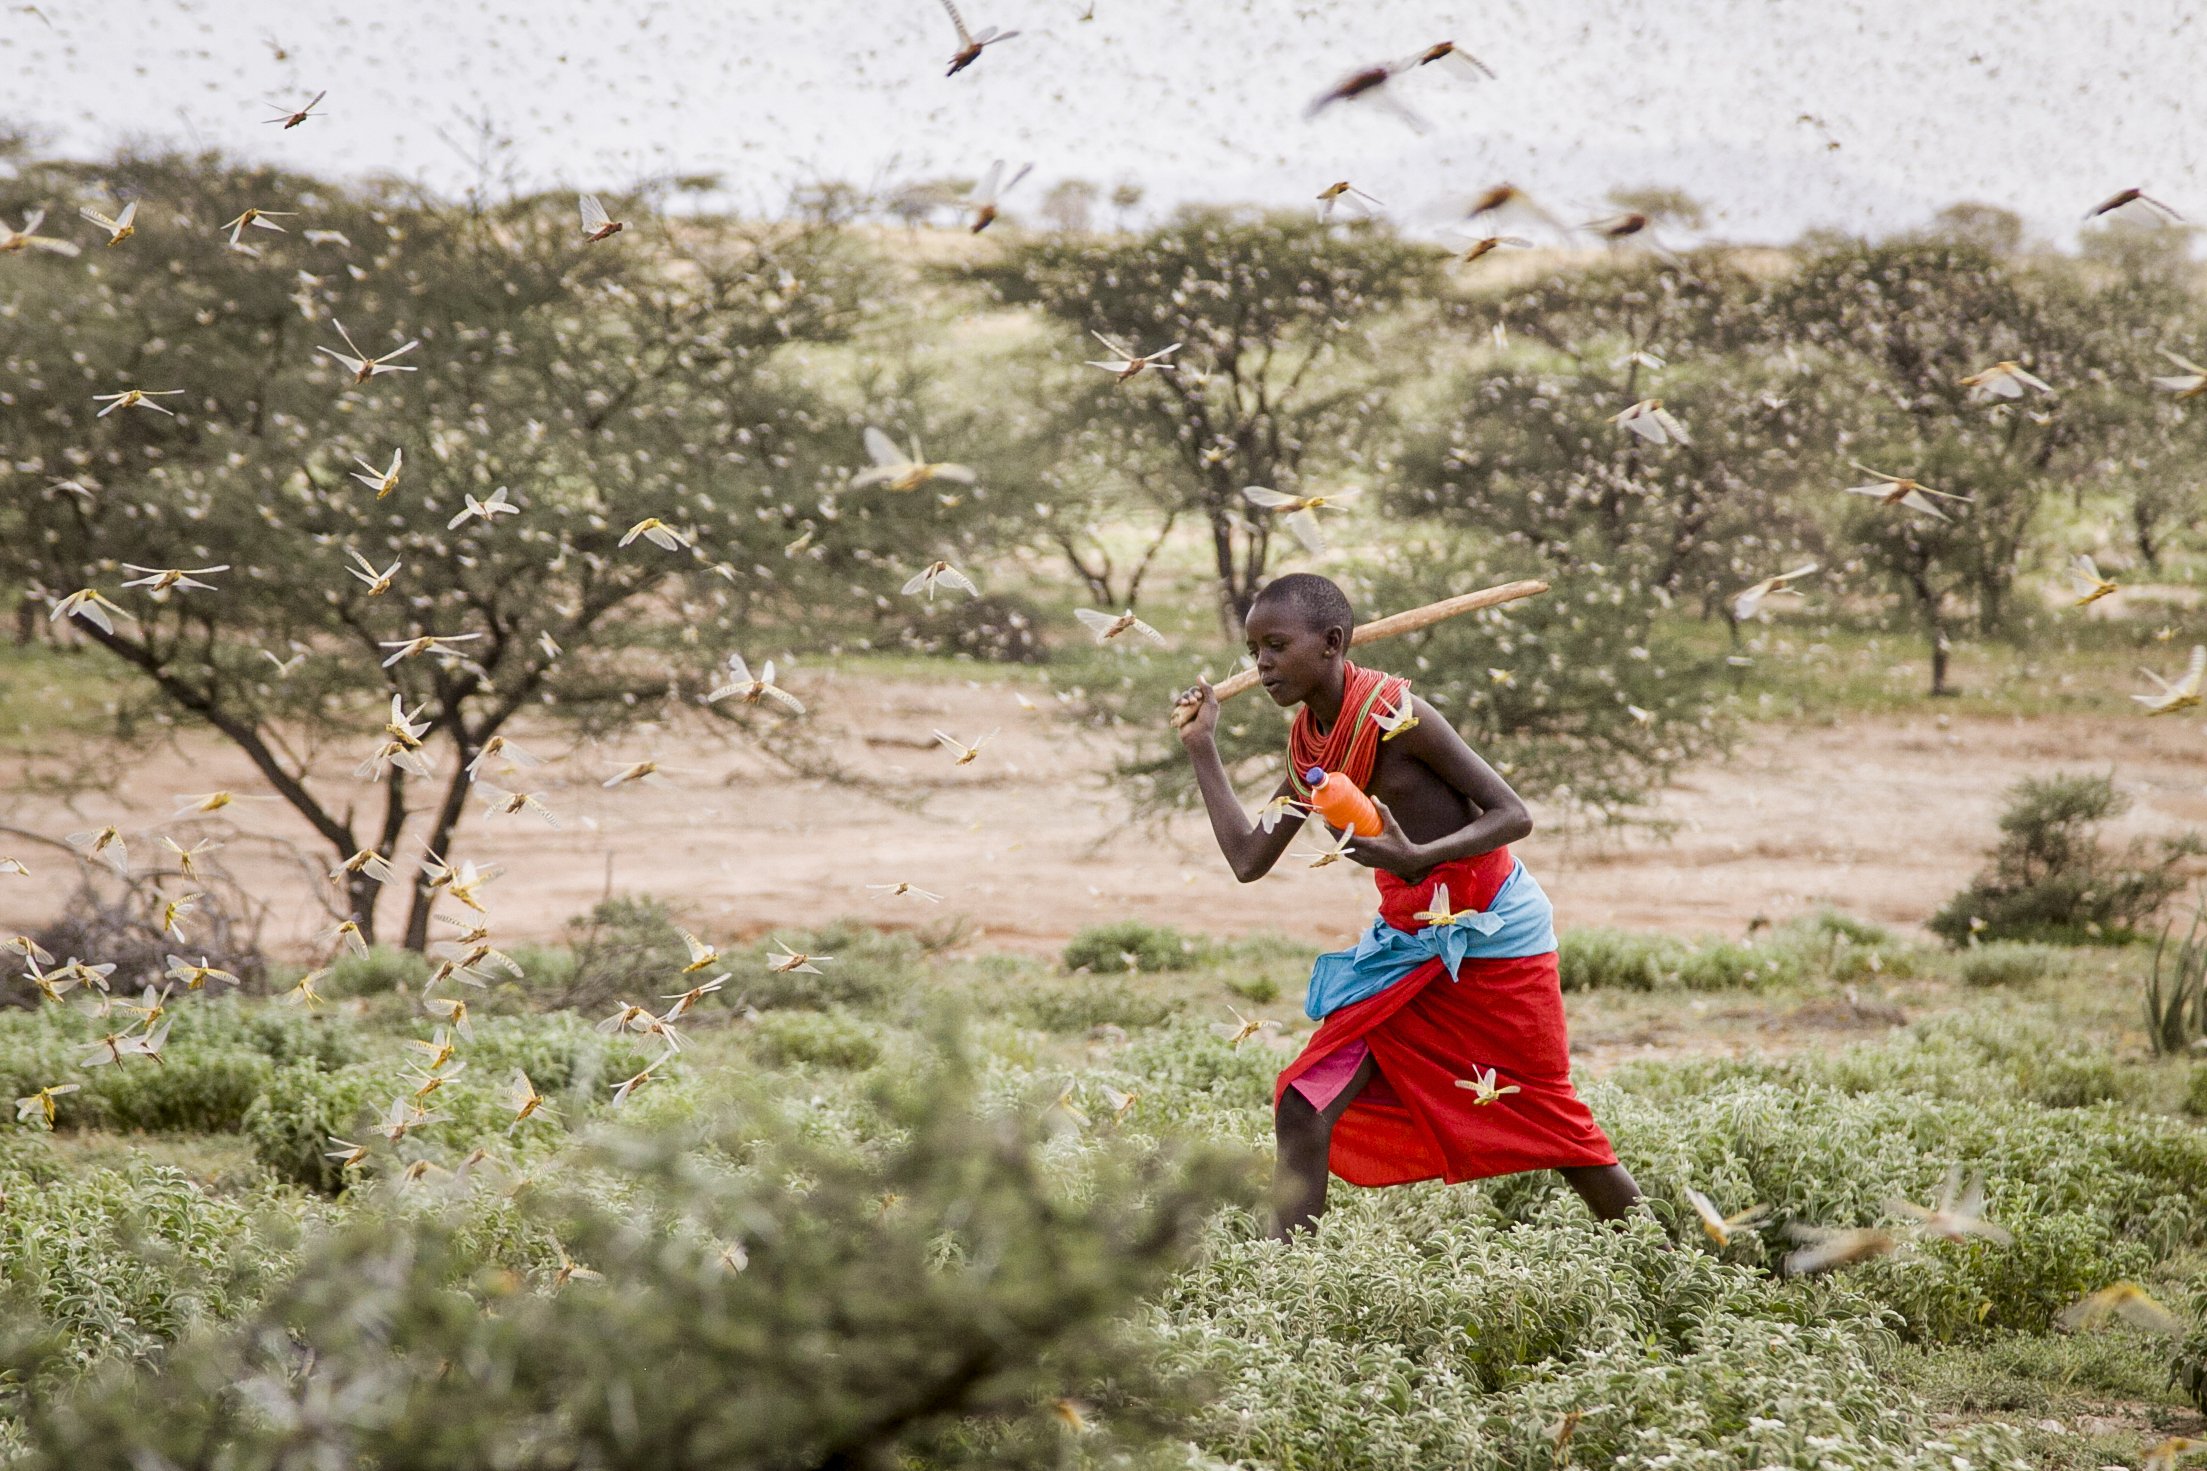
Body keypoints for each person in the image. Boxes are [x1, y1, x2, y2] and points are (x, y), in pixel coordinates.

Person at [1172, 573, 1641, 1237]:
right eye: (1254, 651)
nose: (1262, 664)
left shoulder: (1399, 716)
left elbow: (1512, 814)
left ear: (1332, 642)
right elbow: (1250, 860)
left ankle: (1670, 1258)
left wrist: (1419, 857)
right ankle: (1280, 1294)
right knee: (1304, 1102)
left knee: (1548, 1121)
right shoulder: (1312, 746)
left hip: (1494, 937)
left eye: (1275, 645)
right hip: (1408, 943)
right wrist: (1202, 749)